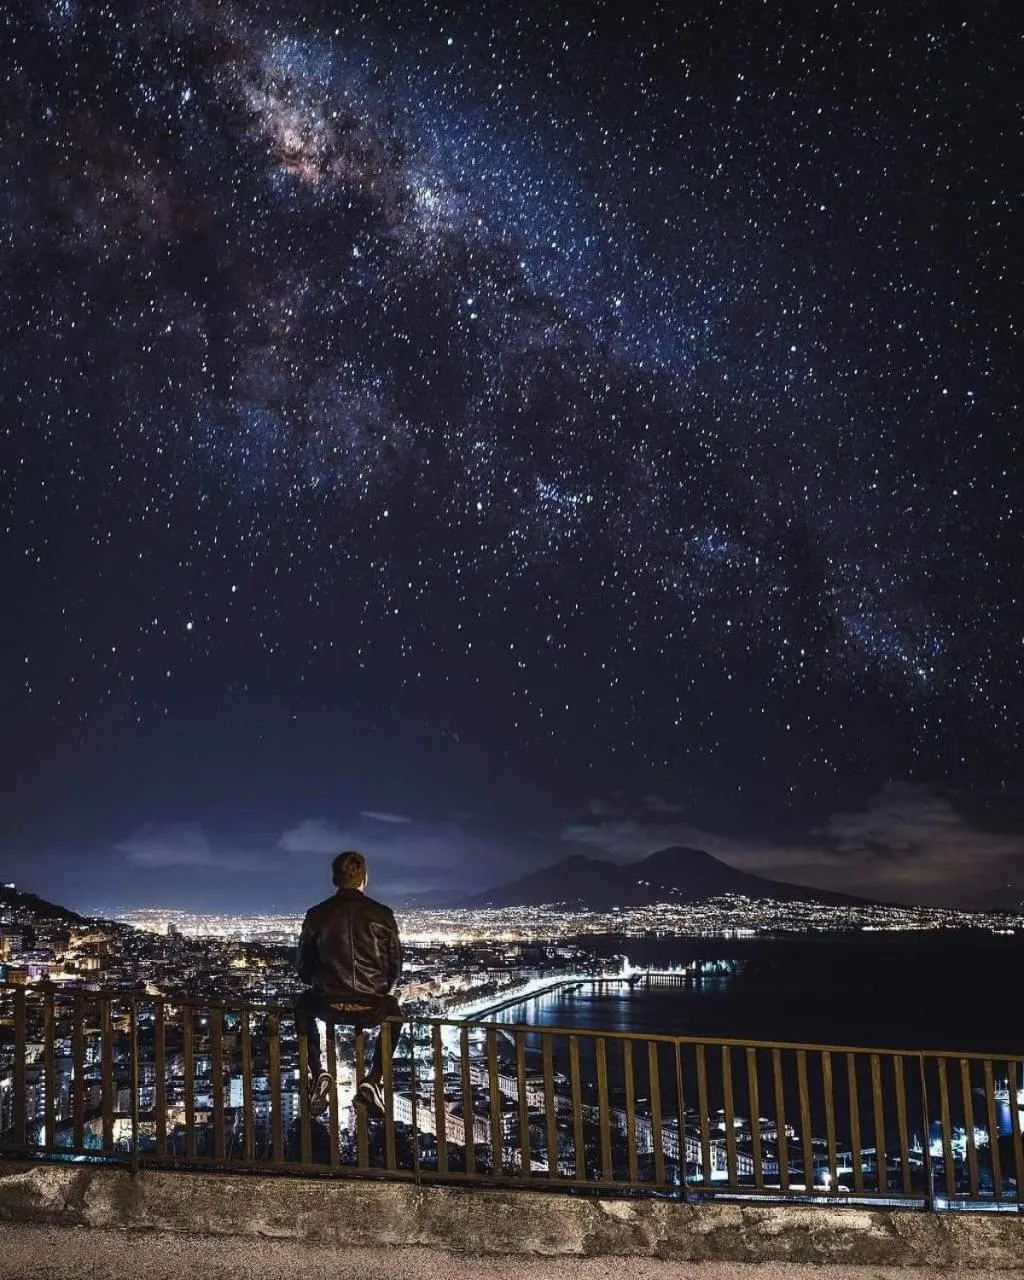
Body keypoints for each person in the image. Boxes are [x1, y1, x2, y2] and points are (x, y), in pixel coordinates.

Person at [294, 850, 403, 1119]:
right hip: (372, 1008)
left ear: (334, 879)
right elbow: (394, 967)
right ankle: (373, 1080)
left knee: (302, 1004)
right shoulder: (383, 915)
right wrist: (378, 989)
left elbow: (303, 968)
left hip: (328, 1006)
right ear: (364, 878)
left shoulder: (317, 915)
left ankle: (318, 1072)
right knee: (395, 1012)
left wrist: (320, 983)